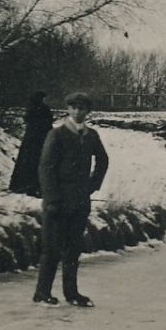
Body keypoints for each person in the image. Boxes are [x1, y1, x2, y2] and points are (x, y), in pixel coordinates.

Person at [33, 92, 108, 307]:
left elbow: (103, 160)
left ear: (88, 111)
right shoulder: (56, 134)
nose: (78, 112)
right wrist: (52, 199)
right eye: (74, 107)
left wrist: (92, 186)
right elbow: (45, 169)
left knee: (73, 248)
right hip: (57, 202)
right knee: (52, 248)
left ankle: (72, 293)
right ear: (68, 109)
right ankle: (42, 291)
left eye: (82, 108)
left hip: (80, 201)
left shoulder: (91, 135)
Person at [9, 91, 54, 196]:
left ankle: (21, 185)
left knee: (26, 162)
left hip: (30, 141)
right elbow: (47, 123)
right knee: (37, 162)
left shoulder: (30, 109)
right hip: (40, 140)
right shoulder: (43, 109)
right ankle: (35, 186)